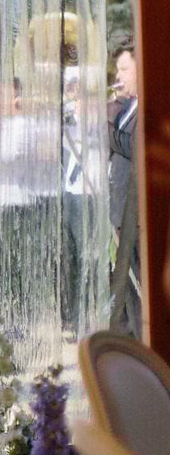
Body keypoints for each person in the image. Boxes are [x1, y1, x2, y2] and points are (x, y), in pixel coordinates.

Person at [108, 43, 140, 338]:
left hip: (136, 215)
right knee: (129, 287)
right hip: (119, 209)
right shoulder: (128, 106)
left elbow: (136, 148)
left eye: (123, 69)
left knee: (141, 283)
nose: (118, 76)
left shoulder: (150, 104)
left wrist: (105, 127)